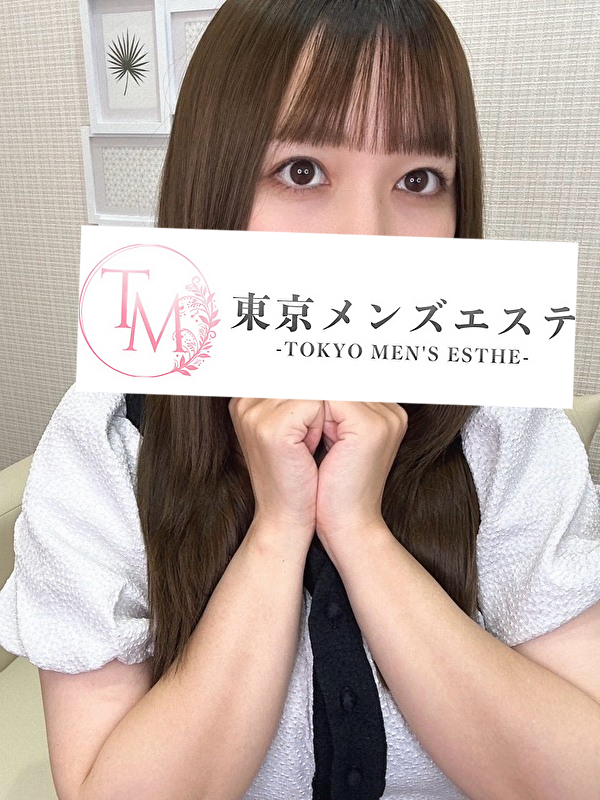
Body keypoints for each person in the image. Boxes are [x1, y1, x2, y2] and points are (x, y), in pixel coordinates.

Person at [1, 0, 599, 798]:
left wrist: (361, 533)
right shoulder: (109, 437)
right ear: (213, 178)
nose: (367, 238)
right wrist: (278, 530)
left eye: (419, 180)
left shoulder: (502, 420)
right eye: (303, 171)